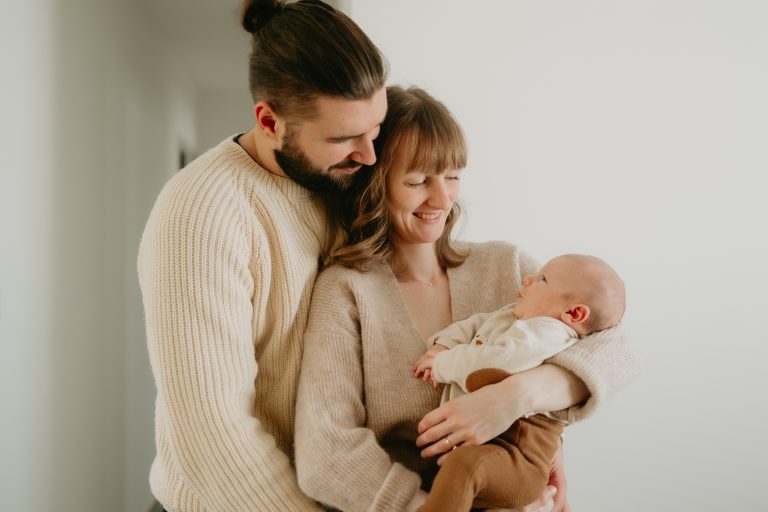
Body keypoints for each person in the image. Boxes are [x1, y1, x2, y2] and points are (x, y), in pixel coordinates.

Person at [294, 86, 639, 512]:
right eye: (418, 180)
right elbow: (326, 455)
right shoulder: (347, 291)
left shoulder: (506, 266)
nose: (442, 199)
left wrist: (519, 395)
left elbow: (616, 348)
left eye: (453, 176)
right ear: (375, 183)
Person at [137, 1, 388, 510]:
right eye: (343, 138)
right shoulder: (202, 210)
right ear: (270, 122)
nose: (369, 155)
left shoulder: (345, 181)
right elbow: (214, 435)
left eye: (376, 129)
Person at [413, 254, 626, 512]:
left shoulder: (547, 332)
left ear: (574, 313)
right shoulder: (513, 316)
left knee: (465, 466)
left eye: (542, 279)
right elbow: (475, 324)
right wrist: (444, 344)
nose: (527, 278)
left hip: (517, 456)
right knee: (451, 479)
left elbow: (497, 361)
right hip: (484, 452)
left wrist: (441, 364)